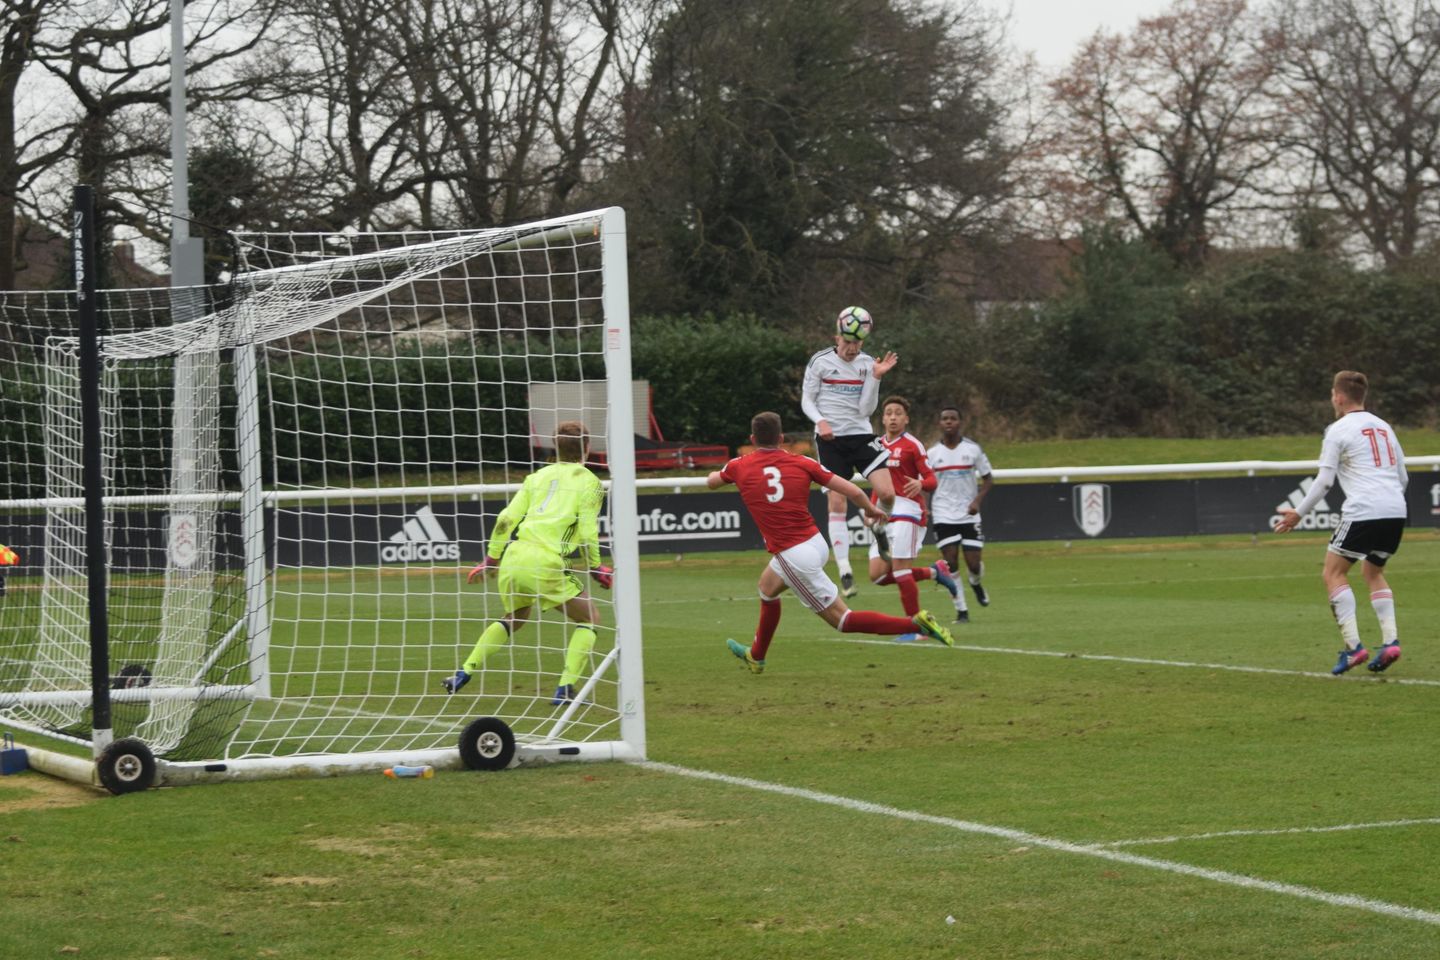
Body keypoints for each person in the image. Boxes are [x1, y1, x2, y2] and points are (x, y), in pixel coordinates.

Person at [708, 411, 954, 673]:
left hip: (793, 554)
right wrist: (870, 510)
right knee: (767, 589)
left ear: (752, 438)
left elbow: (712, 482)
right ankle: (756, 655)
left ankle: (915, 625)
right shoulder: (803, 462)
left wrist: (722, 474)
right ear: (781, 438)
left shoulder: (738, 465)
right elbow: (854, 490)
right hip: (816, 543)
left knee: (843, 620)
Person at [443, 421, 614, 704]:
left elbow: (505, 519)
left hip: (514, 556)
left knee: (516, 617)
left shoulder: (536, 478)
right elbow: (587, 530)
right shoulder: (591, 483)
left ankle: (463, 672)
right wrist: (596, 567)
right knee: (589, 617)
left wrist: (491, 559)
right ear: (586, 449)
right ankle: (565, 689)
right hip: (545, 560)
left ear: (555, 447)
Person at [1273, 371, 1407, 675]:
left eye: (1333, 393)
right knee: (1373, 571)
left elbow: (1324, 481)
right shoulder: (1385, 427)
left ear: (1339, 396)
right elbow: (1403, 476)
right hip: (1396, 509)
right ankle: (1391, 641)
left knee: (1333, 573)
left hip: (1364, 510)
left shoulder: (1337, 429)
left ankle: (1353, 649)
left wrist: (1299, 512)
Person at [801, 308, 898, 599]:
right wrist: (820, 421)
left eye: (856, 344)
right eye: (847, 343)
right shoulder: (820, 362)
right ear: (837, 336)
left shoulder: (868, 364)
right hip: (830, 441)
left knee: (888, 494)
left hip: (860, 435)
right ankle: (844, 570)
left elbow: (866, 410)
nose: (851, 349)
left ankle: (878, 529)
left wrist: (876, 377)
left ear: (863, 342)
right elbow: (807, 399)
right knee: (837, 503)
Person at [865, 396, 960, 617]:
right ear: (883, 418)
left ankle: (916, 626)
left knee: (900, 570)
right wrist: (871, 508)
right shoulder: (876, 446)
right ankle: (934, 572)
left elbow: (931, 480)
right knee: (877, 575)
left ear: (906, 419)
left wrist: (920, 483)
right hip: (885, 513)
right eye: (888, 413)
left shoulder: (913, 445)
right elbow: (877, 483)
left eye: (898, 413)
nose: (893, 418)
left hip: (908, 510)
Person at [926, 405, 994, 622]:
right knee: (951, 562)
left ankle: (975, 582)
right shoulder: (932, 454)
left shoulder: (973, 449)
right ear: (940, 423)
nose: (948, 422)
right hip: (943, 513)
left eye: (952, 418)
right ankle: (962, 610)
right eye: (944, 418)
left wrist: (976, 501)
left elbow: (988, 478)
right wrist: (926, 508)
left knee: (973, 564)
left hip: (969, 514)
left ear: (959, 422)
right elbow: (926, 483)